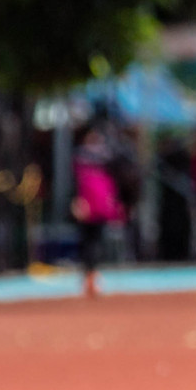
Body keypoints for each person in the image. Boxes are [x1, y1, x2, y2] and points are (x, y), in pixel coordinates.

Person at [72, 124, 124, 298]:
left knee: (97, 242)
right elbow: (74, 183)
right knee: (87, 243)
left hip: (101, 206)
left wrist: (115, 204)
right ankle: (88, 277)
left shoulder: (108, 158)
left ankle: (92, 277)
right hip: (86, 205)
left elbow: (116, 183)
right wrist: (76, 200)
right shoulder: (79, 157)